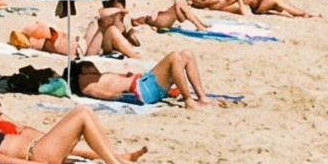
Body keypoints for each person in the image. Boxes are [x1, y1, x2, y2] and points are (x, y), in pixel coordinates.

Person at [0, 95, 145, 164]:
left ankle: (116, 160)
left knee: (85, 113)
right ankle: (114, 163)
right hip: (36, 154)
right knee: (82, 113)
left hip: (37, 148)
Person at [71, 52, 220, 108]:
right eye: (91, 66)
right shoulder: (85, 81)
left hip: (142, 84)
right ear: (84, 69)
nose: (96, 68)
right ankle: (189, 100)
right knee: (174, 57)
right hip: (141, 91)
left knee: (187, 55)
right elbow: (94, 92)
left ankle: (203, 98)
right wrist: (121, 98)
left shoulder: (94, 78)